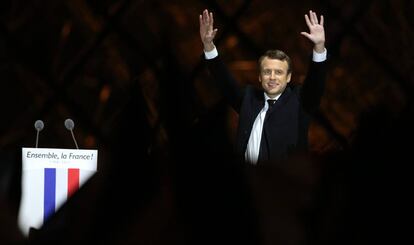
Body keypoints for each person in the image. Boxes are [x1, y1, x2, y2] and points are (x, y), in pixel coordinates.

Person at [199, 9, 328, 164]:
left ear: (288, 77)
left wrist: (319, 47)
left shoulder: (299, 101)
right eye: (267, 72)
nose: (272, 77)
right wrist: (208, 45)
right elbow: (225, 82)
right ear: (260, 77)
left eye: (278, 72)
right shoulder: (249, 98)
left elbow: (315, 85)